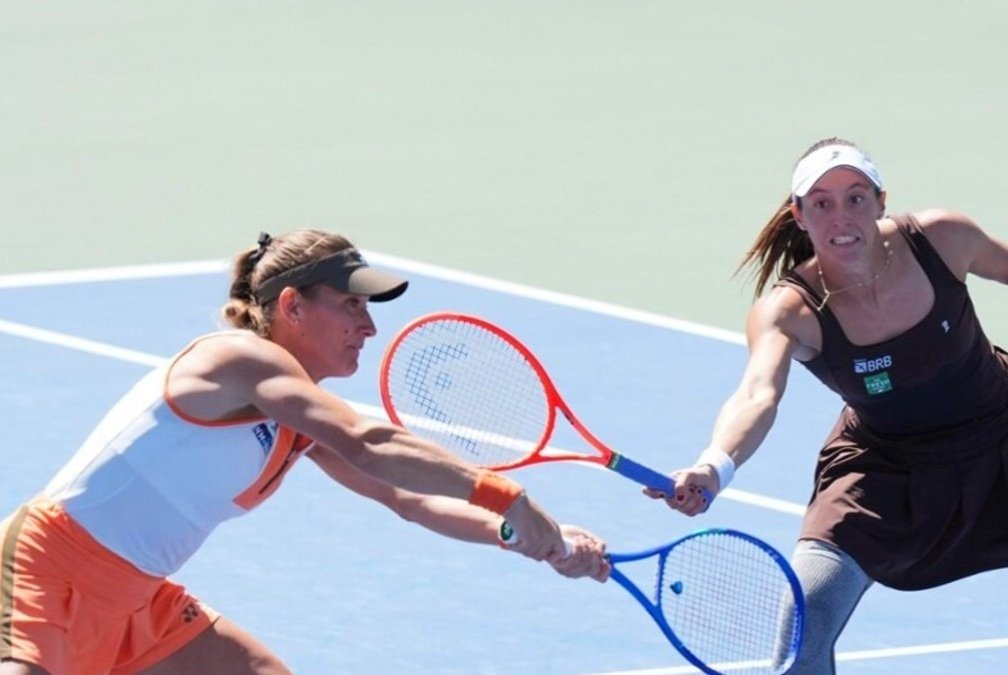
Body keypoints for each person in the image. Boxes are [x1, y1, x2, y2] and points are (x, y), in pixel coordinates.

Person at [650, 139, 1008, 672]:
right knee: (805, 620)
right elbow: (757, 393)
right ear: (799, 214)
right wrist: (714, 464)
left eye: (856, 198)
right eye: (822, 203)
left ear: (881, 201)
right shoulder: (790, 309)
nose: (842, 217)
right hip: (885, 475)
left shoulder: (940, 237)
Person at [0, 229, 610, 675]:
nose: (368, 327)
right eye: (351, 304)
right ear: (291, 305)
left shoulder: (298, 417)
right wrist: (512, 498)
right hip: (48, 574)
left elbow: (407, 499)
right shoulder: (239, 359)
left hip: (138, 601)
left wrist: (531, 539)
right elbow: (370, 444)